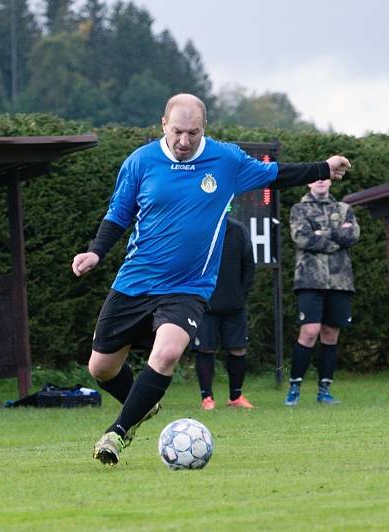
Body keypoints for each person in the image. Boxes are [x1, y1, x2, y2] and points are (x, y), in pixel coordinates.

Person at [72, 93, 351, 466]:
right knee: (100, 368)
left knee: (168, 351)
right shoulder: (140, 162)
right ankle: (144, 404)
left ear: (204, 128)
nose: (184, 141)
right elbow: (118, 214)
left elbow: (276, 175)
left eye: (193, 132)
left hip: (188, 286)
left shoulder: (226, 159)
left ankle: (117, 434)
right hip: (135, 282)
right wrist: (96, 252)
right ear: (162, 125)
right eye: (177, 132)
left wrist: (323, 167)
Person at [284, 177, 359, 406]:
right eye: (316, 179)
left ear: (330, 183)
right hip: (309, 280)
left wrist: (322, 234)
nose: (321, 182)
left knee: (330, 334)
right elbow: (302, 238)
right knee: (309, 332)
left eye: (325, 179)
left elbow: (352, 236)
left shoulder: (344, 208)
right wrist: (336, 235)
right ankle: (294, 388)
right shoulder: (299, 209)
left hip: (340, 281)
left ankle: (324, 390)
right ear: (308, 183)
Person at [192, 215, 255, 410]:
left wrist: (241, 293)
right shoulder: (196, 229)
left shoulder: (238, 229)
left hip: (234, 305)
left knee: (238, 349)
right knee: (205, 349)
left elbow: (248, 265)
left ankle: (235, 397)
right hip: (205, 304)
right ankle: (207, 398)